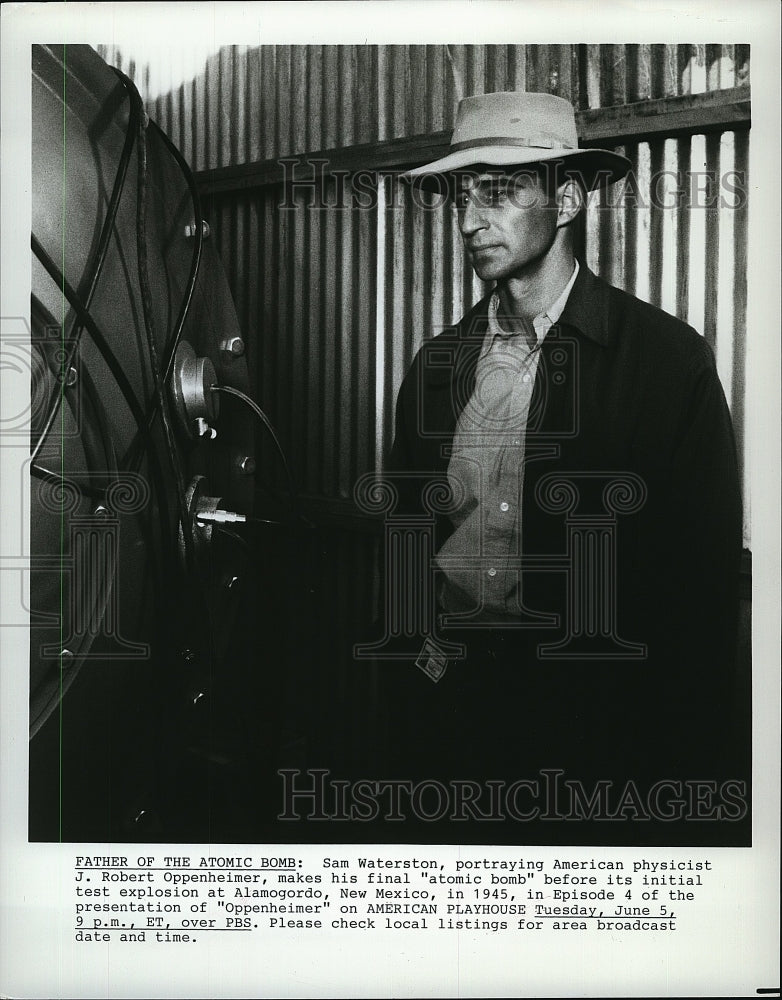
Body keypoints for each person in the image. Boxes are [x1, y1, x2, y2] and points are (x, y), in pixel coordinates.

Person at [367, 91, 746, 839]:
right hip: (452, 725)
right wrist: (407, 698)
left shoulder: (668, 365)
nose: (472, 219)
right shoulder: (439, 365)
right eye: (463, 195)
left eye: (499, 191)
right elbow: (402, 547)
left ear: (567, 198)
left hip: (598, 739)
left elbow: (697, 597)